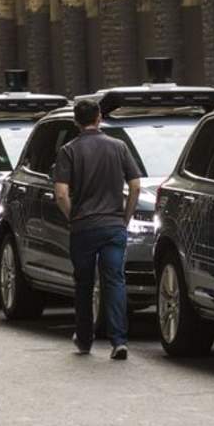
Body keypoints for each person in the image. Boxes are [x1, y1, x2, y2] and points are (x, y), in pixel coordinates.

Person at [55, 99, 142, 358]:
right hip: (114, 226)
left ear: (75, 121)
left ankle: (84, 339)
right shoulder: (119, 147)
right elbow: (136, 185)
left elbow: (61, 194)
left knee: (84, 283)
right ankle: (119, 341)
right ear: (99, 117)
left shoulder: (68, 150)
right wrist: (125, 218)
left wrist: (74, 217)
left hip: (83, 227)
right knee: (114, 280)